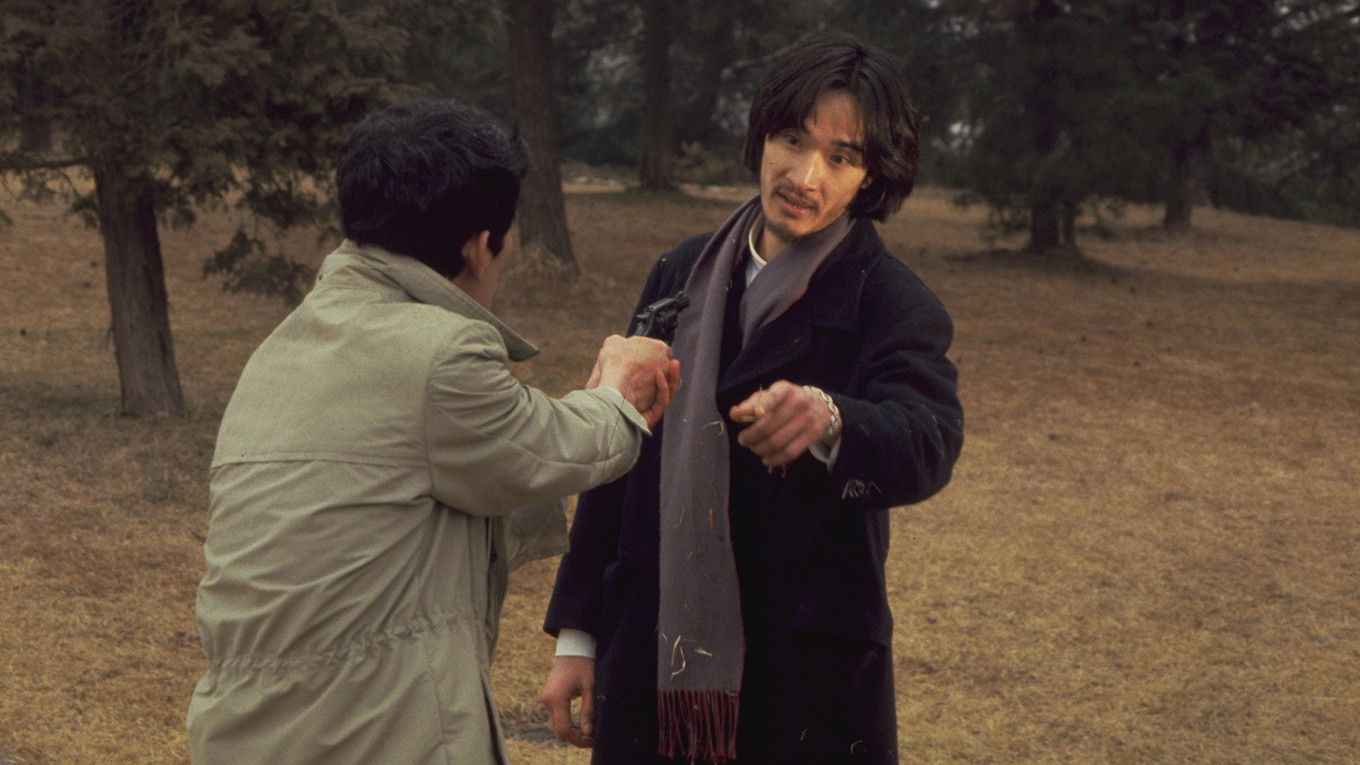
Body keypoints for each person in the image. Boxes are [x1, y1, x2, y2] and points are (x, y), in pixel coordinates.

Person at [186, 98, 680, 764]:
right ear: (480, 247)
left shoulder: (283, 348)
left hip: (248, 731)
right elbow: (545, 449)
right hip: (371, 734)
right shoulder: (440, 355)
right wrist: (621, 389)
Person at [541, 33, 964, 764]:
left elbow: (928, 435)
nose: (805, 175)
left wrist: (833, 419)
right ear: (761, 134)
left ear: (871, 176)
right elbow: (618, 458)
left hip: (806, 674)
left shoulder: (892, 301)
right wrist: (578, 635)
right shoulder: (680, 273)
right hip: (653, 649)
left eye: (841, 157)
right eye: (792, 139)